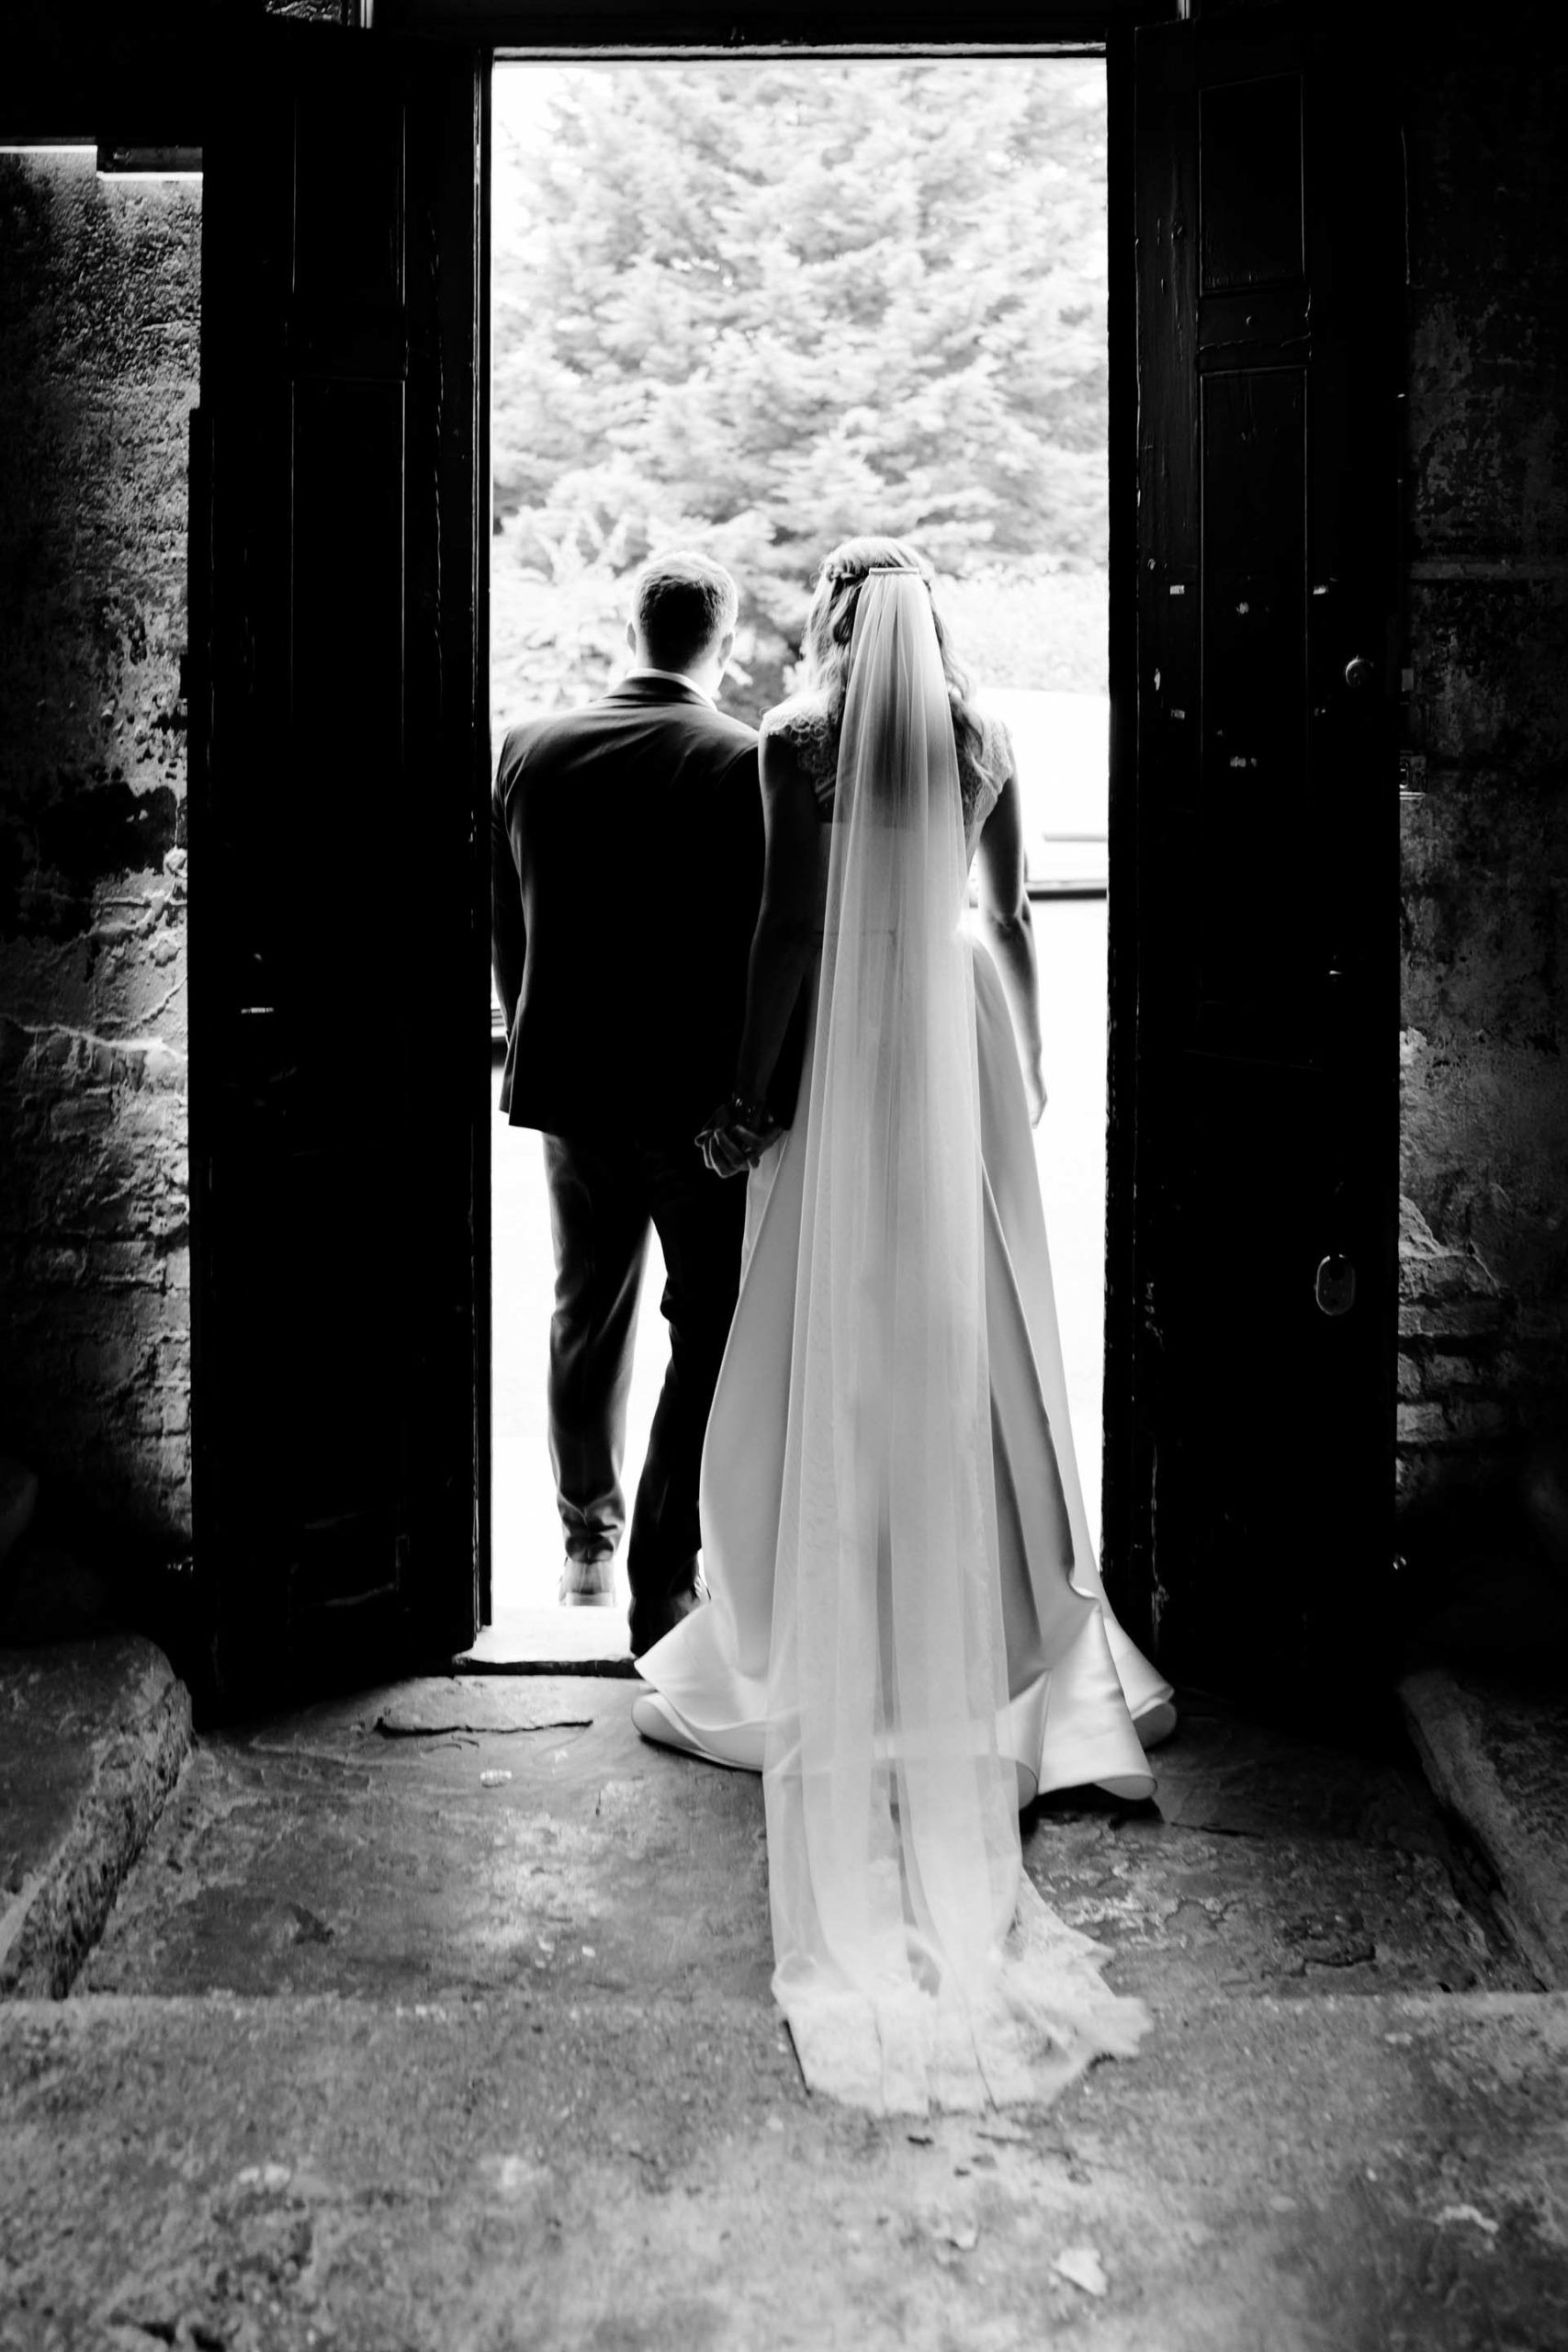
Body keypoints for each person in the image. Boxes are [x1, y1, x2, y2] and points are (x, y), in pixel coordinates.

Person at [632, 537, 1177, 2111]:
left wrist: (750, 1100)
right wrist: (1033, 1070)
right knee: (973, 1318)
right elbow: (1007, 918)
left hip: (852, 1040)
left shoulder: (797, 744)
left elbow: (789, 939)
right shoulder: (985, 733)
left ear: (835, 623)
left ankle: (825, 1618)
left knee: (827, 1320)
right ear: (925, 619)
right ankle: (992, 1613)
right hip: (960, 1032)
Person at [491, 552, 792, 1656]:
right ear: (724, 637)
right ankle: (664, 1571)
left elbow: (506, 929)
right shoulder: (741, 761)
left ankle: (584, 1533)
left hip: (567, 1084)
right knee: (706, 1319)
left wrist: (531, 1030)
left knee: (586, 1305)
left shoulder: (530, 746)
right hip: (687, 1105)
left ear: (633, 626)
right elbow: (762, 949)